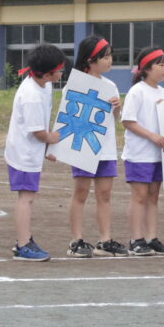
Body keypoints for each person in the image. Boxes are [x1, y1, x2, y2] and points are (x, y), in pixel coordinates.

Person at [65, 36, 126, 258]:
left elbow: (115, 119)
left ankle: (105, 240)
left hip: (106, 148)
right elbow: (69, 115)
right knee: (80, 193)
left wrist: (117, 107)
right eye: (105, 57)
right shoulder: (75, 83)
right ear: (90, 60)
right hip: (84, 145)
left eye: (110, 56)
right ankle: (76, 240)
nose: (110, 60)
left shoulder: (110, 85)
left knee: (105, 194)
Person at [5, 43, 66, 261]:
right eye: (59, 69)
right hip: (23, 154)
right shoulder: (31, 94)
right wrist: (51, 139)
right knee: (26, 198)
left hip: (31, 151)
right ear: (47, 73)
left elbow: (42, 124)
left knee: (28, 196)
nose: (62, 72)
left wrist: (47, 149)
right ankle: (22, 244)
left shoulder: (44, 85)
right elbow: (38, 132)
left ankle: (24, 240)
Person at [121, 46, 164, 256]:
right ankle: (136, 239)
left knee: (153, 196)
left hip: (158, 155)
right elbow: (128, 121)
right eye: (160, 65)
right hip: (139, 153)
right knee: (139, 196)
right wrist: (152, 136)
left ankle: (152, 238)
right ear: (146, 68)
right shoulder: (137, 91)